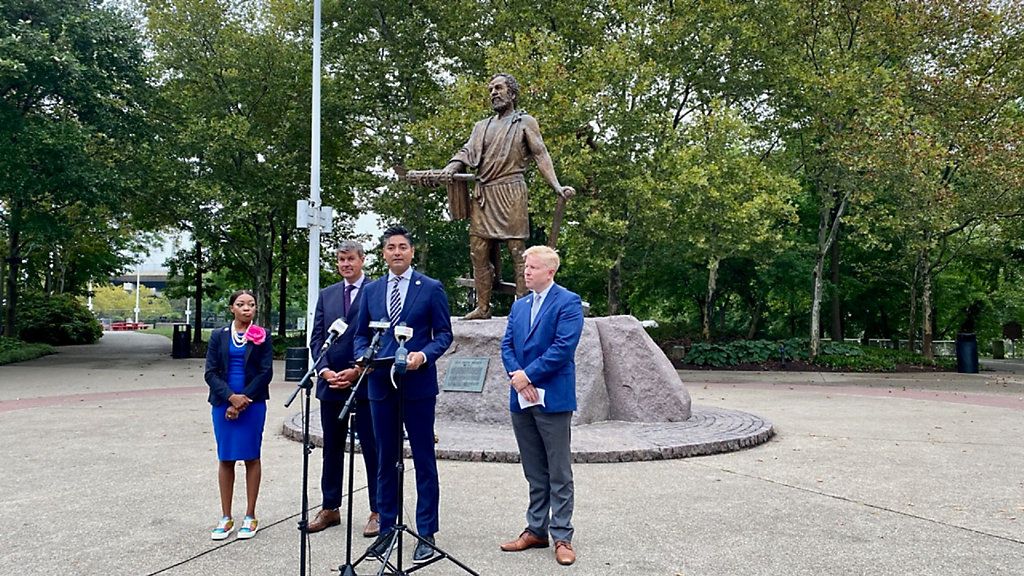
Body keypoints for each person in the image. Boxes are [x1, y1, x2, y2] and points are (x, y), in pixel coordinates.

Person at [354, 225, 453, 564]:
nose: (397, 252)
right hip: (380, 385)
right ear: (383, 253)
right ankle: (386, 529)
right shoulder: (371, 291)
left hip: (418, 386)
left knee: (423, 459)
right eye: (391, 247)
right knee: (385, 459)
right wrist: (362, 356)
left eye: (403, 247)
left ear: (412, 252)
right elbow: (359, 335)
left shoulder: (431, 289)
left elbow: (443, 334)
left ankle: (426, 533)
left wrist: (423, 356)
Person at [442, 72, 575, 320]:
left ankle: (524, 309)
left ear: (512, 93)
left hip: (512, 190)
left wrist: (556, 186)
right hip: (485, 194)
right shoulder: (481, 127)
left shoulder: (525, 122)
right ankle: (483, 307)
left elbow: (541, 154)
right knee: (477, 250)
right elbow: (467, 151)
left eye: (499, 88)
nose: (494, 92)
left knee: (518, 251)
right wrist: (453, 166)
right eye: (491, 89)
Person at [498, 245, 584, 566]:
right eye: (525, 267)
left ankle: (562, 535)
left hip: (553, 398)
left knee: (559, 470)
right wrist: (517, 376)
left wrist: (528, 376)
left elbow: (564, 347)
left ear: (551, 271)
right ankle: (536, 530)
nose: (526, 272)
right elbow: (507, 345)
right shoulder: (519, 307)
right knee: (534, 470)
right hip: (521, 399)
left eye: (533, 267)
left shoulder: (568, 302)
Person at [306, 240, 380, 537]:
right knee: (332, 449)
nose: (346, 264)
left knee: (373, 449)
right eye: (341, 260)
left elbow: (380, 334)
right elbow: (317, 337)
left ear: (362, 260)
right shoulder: (327, 295)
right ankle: (330, 507)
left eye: (351, 259)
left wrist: (358, 370)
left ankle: (378, 510)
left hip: (364, 383)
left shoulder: (376, 292)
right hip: (331, 385)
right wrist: (324, 371)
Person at [204, 289, 273, 541]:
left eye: (251, 304)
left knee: (252, 457)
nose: (247, 308)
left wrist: (242, 399)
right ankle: (225, 516)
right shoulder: (218, 336)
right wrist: (230, 398)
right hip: (223, 402)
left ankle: (250, 515)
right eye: (241, 304)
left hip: (252, 403)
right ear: (232, 307)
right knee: (226, 458)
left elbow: (266, 372)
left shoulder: (262, 336)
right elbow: (210, 372)